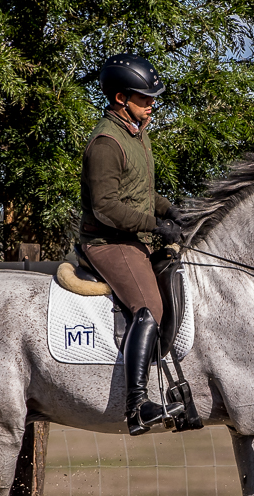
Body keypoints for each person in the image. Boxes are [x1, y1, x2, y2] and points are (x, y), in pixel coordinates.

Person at [79, 53, 186, 436]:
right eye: (145, 98)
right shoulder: (107, 142)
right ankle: (137, 406)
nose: (152, 105)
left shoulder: (137, 135)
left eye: (153, 98)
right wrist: (156, 226)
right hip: (108, 241)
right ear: (121, 98)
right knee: (150, 305)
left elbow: (140, 192)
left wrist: (172, 211)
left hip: (132, 236)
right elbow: (106, 207)